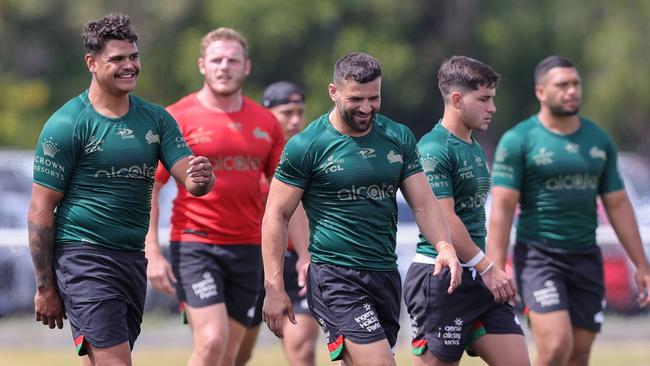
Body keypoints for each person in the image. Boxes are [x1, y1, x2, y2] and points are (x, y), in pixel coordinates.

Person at [27, 13, 214, 366]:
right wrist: (45, 286)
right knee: (116, 361)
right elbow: (40, 209)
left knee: (101, 359)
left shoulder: (156, 119)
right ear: (91, 63)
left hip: (130, 260)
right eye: (117, 59)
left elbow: (189, 175)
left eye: (133, 57)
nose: (129, 66)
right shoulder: (68, 124)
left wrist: (201, 179)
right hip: (84, 258)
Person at [262, 52, 463, 366]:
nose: (367, 107)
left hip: (384, 273)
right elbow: (276, 214)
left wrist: (444, 245)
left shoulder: (397, 137)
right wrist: (273, 286)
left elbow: (423, 203)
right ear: (334, 92)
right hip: (334, 276)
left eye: (374, 97)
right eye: (356, 98)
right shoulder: (307, 145)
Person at [488, 55, 650, 366]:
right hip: (539, 258)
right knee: (556, 346)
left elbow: (617, 204)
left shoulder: (597, 139)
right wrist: (495, 268)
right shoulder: (519, 140)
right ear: (541, 92)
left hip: (586, 257)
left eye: (576, 84)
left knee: (578, 354)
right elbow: (503, 208)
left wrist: (641, 263)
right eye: (562, 85)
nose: (572, 91)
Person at [144, 27, 284, 366]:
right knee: (211, 341)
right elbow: (151, 185)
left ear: (246, 67)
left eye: (232, 60)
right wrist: (152, 252)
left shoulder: (266, 122)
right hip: (195, 244)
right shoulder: (176, 117)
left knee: (227, 356)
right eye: (217, 60)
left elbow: (285, 196)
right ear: (202, 66)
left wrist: (305, 255)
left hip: (249, 249)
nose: (224, 67)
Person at [403, 56, 530, 366]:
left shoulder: (472, 145)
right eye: (484, 99)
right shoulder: (434, 148)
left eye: (493, 99)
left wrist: (485, 268)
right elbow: (445, 217)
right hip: (443, 276)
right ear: (457, 99)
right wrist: (488, 267)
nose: (492, 108)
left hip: (477, 274)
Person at [236, 81, 318, 366]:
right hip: (254, 262)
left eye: (299, 112)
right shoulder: (252, 157)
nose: (295, 120)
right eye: (287, 113)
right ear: (267, 113)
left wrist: (308, 256)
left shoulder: (312, 154)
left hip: (298, 261)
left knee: (302, 349)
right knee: (236, 354)